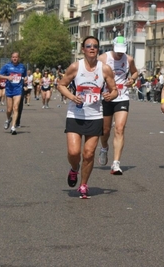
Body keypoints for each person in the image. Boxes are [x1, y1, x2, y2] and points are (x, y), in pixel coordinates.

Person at [57, 36, 118, 199]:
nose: (92, 48)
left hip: (95, 115)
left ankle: (83, 184)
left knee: (89, 153)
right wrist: (71, 96)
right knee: (74, 152)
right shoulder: (75, 67)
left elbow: (115, 90)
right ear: (83, 49)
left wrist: (109, 96)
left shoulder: (104, 69)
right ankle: (74, 168)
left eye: (95, 46)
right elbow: (61, 85)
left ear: (98, 50)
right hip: (75, 114)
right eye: (89, 46)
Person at [97, 35, 138, 175]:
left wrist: (132, 79)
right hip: (106, 96)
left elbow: (135, 72)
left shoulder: (129, 59)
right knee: (105, 130)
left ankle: (116, 164)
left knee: (120, 129)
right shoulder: (103, 58)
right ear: (113, 47)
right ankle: (104, 148)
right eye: (118, 50)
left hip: (122, 96)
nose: (120, 53)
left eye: (122, 50)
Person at [0, 52, 27, 135]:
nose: (15, 58)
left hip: (18, 90)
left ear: (19, 58)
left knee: (16, 108)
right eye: (13, 57)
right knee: (9, 110)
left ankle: (13, 127)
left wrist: (25, 80)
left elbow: (24, 76)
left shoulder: (22, 67)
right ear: (11, 58)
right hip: (9, 90)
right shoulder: (7, 66)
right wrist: (7, 77)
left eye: (16, 57)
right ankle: (8, 119)